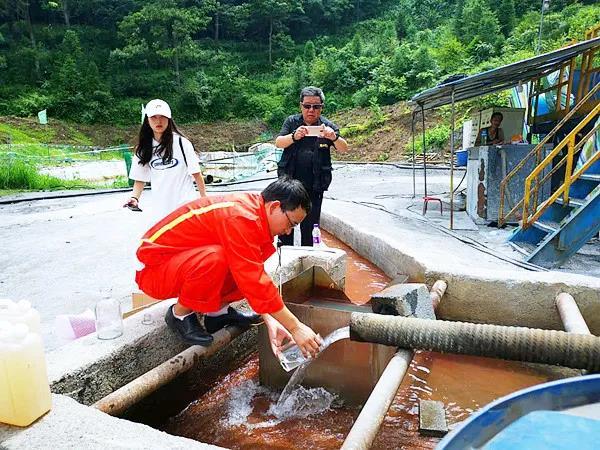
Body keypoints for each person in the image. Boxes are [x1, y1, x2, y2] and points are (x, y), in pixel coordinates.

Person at [134, 176, 323, 358]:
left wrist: (271, 319)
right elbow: (253, 280)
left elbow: (251, 272)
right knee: (217, 258)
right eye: (291, 224)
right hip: (155, 270)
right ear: (274, 206)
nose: (288, 231)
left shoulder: (254, 214)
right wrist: (295, 327)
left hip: (180, 264)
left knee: (238, 259)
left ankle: (217, 314)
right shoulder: (241, 217)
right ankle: (179, 314)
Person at [275, 86, 348, 246]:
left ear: (321, 107)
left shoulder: (327, 126)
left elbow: (344, 149)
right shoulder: (292, 122)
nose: (311, 110)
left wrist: (334, 137)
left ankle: (307, 260)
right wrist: (294, 136)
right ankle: (283, 259)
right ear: (301, 106)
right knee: (285, 224)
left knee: (310, 228)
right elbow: (279, 143)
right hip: (289, 184)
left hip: (315, 187)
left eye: (316, 106)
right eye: (307, 106)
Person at [124, 99, 207, 220]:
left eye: (162, 116)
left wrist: (204, 199)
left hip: (185, 206)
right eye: (154, 117)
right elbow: (140, 179)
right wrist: (134, 198)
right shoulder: (143, 149)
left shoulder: (182, 143)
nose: (159, 121)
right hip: (161, 210)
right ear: (147, 120)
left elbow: (197, 174)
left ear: (169, 119)